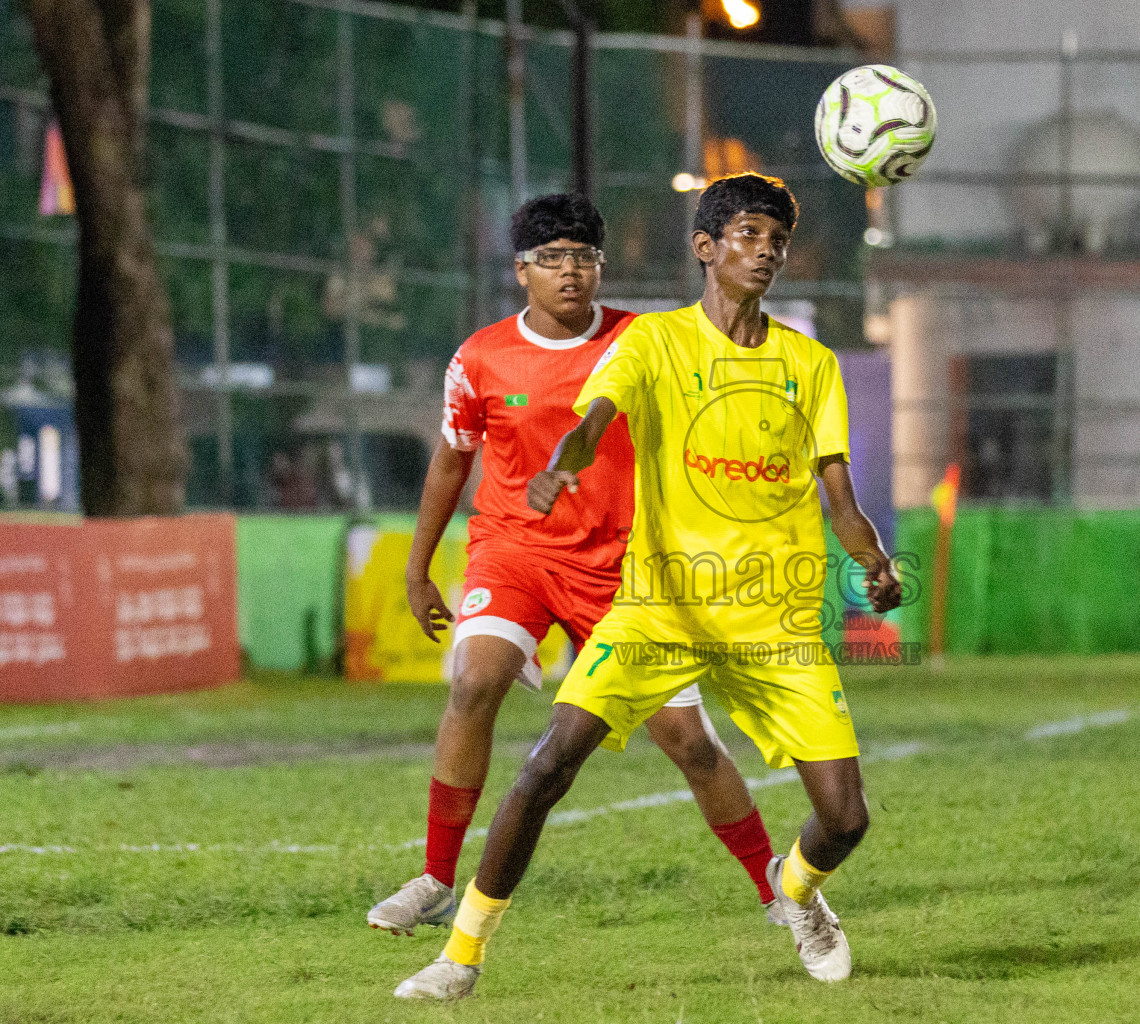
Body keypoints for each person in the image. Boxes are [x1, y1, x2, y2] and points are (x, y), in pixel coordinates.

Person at [394, 173, 902, 1000]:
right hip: (658, 609)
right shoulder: (652, 344)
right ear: (705, 248)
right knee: (548, 764)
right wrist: (563, 464)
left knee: (845, 817)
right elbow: (594, 421)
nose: (764, 252)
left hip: (774, 618)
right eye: (746, 235)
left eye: (775, 240)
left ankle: (797, 890)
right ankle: (460, 954)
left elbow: (837, 497)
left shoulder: (808, 363)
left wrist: (874, 564)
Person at [368, 194, 783, 941]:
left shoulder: (645, 342)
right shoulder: (480, 357)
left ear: (601, 267)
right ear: (520, 271)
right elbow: (451, 461)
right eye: (553, 259)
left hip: (624, 569)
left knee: (689, 742)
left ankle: (778, 891)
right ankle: (434, 878)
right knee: (474, 681)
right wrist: (418, 567)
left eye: (584, 258)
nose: (570, 273)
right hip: (515, 550)